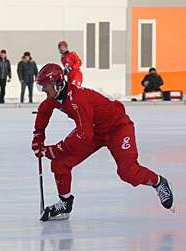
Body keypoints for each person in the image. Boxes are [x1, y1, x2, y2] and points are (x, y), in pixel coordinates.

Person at [31, 63, 174, 221]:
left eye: (45, 86)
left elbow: (83, 134)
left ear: (58, 84)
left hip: (117, 128)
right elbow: (44, 111)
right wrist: (38, 135)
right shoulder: (55, 97)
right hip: (95, 131)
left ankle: (158, 182)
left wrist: (56, 149)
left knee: (128, 172)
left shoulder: (75, 100)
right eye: (41, 86)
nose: (43, 90)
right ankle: (65, 203)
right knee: (60, 163)